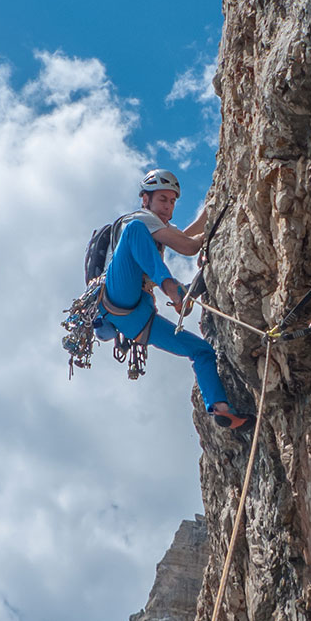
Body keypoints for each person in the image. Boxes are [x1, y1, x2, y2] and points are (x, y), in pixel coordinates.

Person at [95, 169, 249, 430]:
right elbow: (189, 246)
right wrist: (210, 233)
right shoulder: (139, 219)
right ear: (146, 200)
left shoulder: (159, 228)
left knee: (202, 351)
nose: (168, 206)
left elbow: (186, 237)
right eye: (162, 200)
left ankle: (222, 410)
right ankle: (174, 290)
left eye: (172, 201)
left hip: (135, 317)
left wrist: (215, 210)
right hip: (118, 295)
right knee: (134, 231)